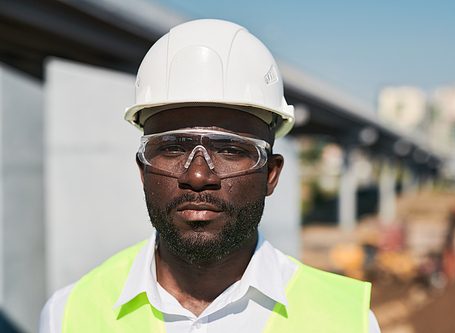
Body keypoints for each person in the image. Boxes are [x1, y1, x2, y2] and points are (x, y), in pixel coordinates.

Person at [40, 19, 381, 332]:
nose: (199, 175)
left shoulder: (348, 321)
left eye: (231, 150)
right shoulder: (68, 314)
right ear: (143, 171)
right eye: (173, 148)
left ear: (272, 175)